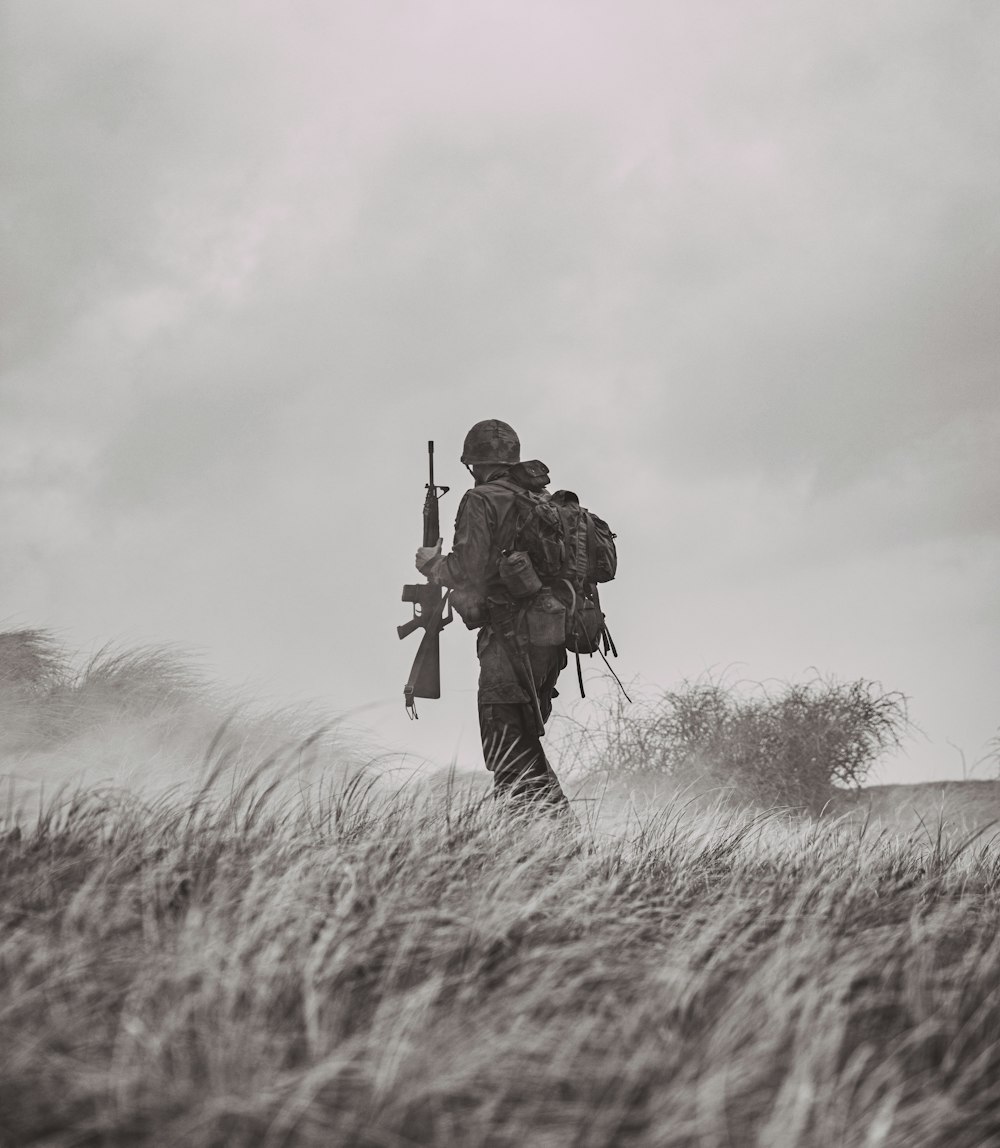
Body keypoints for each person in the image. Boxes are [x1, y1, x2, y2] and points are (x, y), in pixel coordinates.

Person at [414, 419, 571, 811]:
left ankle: (544, 837)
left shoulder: (480, 499)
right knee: (520, 741)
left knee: (506, 745)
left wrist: (433, 565)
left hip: (509, 638)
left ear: (474, 463)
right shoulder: (540, 498)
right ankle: (545, 838)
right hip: (548, 639)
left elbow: (469, 569)